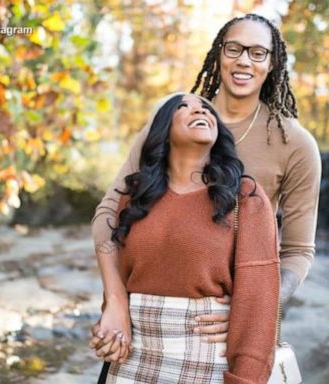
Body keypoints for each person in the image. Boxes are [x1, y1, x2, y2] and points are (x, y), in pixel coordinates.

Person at [89, 13, 321, 373]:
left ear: (273, 64)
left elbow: (297, 251)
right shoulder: (170, 121)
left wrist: (251, 311)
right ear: (218, 54)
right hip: (145, 326)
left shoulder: (295, 144)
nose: (244, 60)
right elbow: (109, 212)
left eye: (258, 52)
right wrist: (115, 299)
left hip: (225, 333)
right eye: (235, 48)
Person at [90, 92, 280, 383]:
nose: (200, 111)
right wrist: (112, 316)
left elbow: (258, 301)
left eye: (206, 108)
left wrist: (246, 377)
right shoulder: (134, 197)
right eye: (184, 107)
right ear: (163, 132)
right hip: (132, 359)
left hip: (205, 361)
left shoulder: (245, 197)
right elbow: (119, 273)